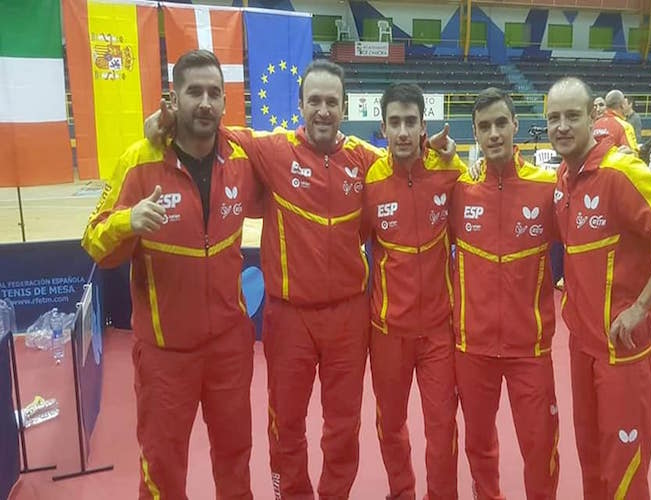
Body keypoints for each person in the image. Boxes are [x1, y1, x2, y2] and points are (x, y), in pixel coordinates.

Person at [144, 60, 456, 500]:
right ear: (301, 106)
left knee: (343, 426)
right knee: (286, 424)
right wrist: (164, 121)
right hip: (288, 318)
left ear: (344, 107)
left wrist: (438, 153)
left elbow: (407, 170)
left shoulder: (367, 162)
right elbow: (211, 127)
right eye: (315, 101)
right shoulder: (272, 150)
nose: (323, 110)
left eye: (332, 102)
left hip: (349, 317)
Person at [82, 50, 260, 500]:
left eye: (214, 93)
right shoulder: (139, 162)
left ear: (224, 103)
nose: (205, 102)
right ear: (173, 98)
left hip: (229, 349)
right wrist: (128, 222)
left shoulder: (242, 158)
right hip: (164, 356)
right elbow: (93, 241)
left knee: (236, 458)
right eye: (194, 91)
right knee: (162, 467)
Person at [546, 77, 651, 499]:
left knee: (625, 468)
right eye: (553, 118)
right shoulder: (564, 178)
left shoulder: (621, 172)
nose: (562, 126)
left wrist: (641, 305)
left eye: (572, 116)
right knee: (592, 459)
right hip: (582, 347)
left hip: (622, 351)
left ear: (593, 118)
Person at [450, 88, 560, 500]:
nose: (494, 133)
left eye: (501, 123)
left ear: (515, 125)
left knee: (540, 446)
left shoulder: (547, 189)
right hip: (472, 348)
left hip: (529, 349)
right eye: (484, 127)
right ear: (474, 134)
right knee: (479, 446)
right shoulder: (459, 191)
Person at [363, 83, 463, 500]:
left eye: (410, 122)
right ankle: (401, 491)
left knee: (442, 426)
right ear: (382, 128)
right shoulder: (369, 181)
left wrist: (452, 155)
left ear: (424, 127)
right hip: (387, 331)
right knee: (390, 424)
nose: (403, 131)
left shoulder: (448, 173)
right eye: (395, 123)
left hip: (439, 331)